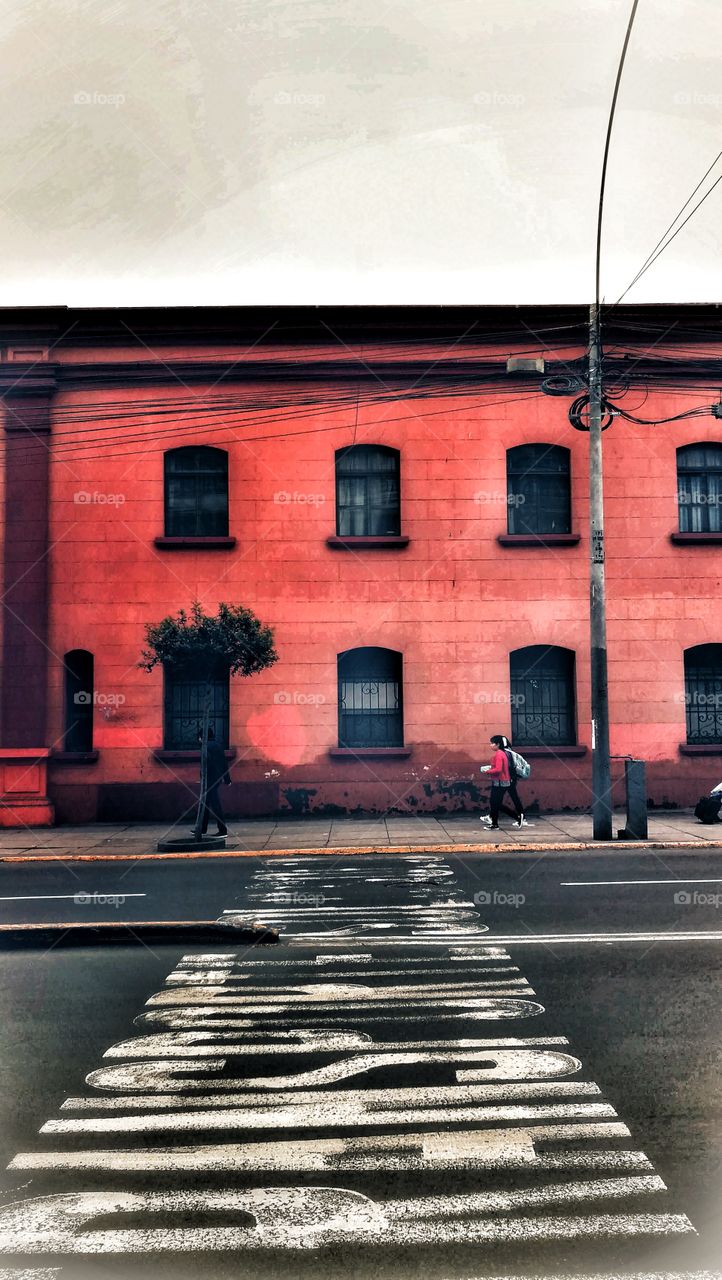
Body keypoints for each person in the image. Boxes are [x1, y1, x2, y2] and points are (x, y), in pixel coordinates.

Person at [480, 733, 525, 829]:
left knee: (496, 803)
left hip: (500, 782)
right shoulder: (503, 753)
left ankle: (515, 817)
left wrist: (487, 771)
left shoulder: (499, 754)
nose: (491, 745)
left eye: (492, 743)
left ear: (498, 744)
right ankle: (495, 823)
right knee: (495, 803)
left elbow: (498, 769)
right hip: (501, 782)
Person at [193, 724, 231, 836]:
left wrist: (203, 779)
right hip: (217, 778)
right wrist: (227, 779)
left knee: (214, 805)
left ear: (202, 736)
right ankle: (202, 829)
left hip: (209, 780)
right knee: (206, 804)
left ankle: (222, 830)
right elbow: (224, 763)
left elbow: (205, 765)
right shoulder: (218, 746)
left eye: (199, 737)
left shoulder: (205, 747)